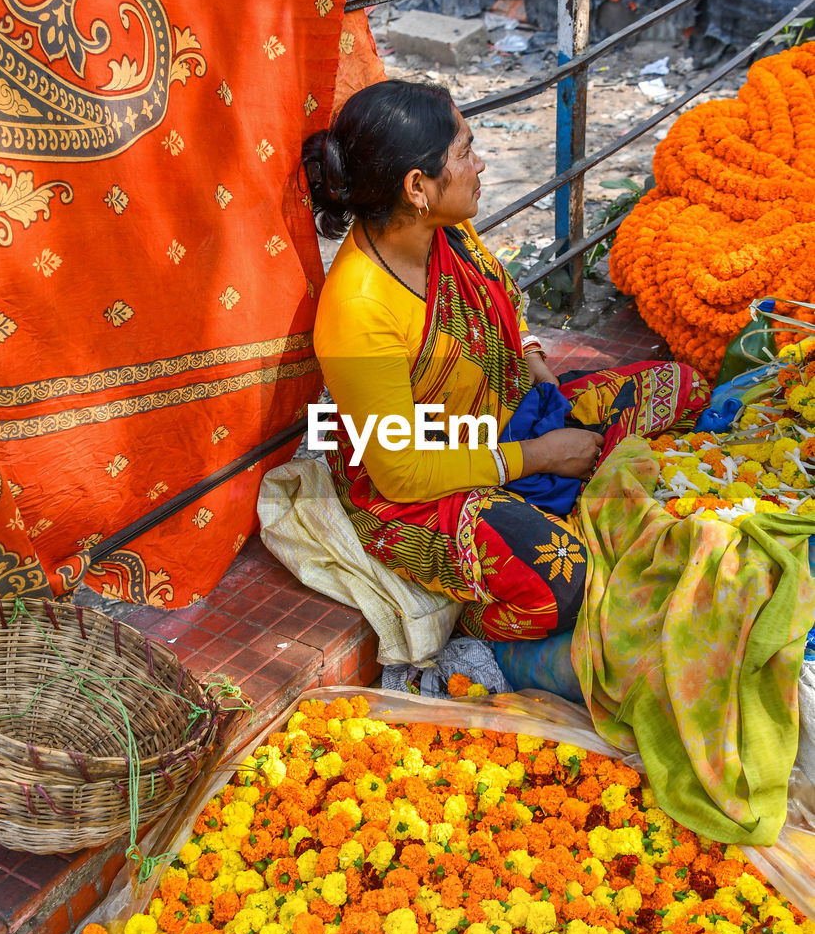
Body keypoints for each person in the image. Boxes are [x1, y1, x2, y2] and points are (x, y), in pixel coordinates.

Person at [303, 80, 709, 644]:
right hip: (422, 489)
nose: (482, 165)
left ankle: (547, 496)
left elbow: (506, 306)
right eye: (465, 152)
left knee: (682, 387)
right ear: (417, 186)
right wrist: (541, 455)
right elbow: (401, 473)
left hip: (510, 417)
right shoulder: (358, 308)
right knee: (563, 583)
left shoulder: (448, 230)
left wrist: (537, 363)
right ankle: (466, 620)